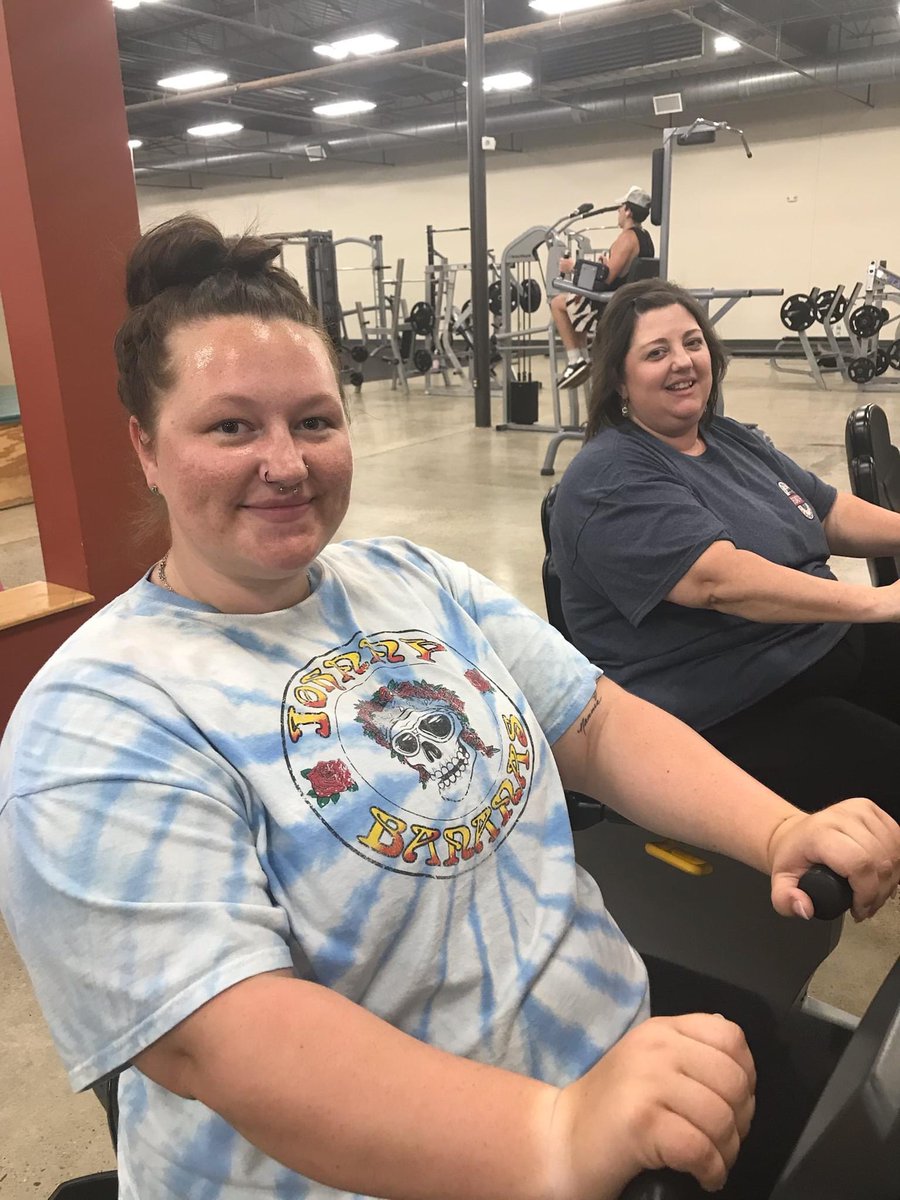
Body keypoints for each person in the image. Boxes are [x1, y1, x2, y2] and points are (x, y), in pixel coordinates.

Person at [0, 218, 898, 1200]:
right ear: (145, 446)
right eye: (230, 427)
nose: (288, 463)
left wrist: (777, 827)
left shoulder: (407, 578)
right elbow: (222, 1036)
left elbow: (590, 722)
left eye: (313, 420)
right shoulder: (97, 713)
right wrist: (553, 1133)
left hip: (615, 1060)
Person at [550, 276, 900, 820]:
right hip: (735, 702)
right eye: (656, 352)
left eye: (692, 343)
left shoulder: (727, 435)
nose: (683, 362)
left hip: (819, 647)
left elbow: (826, 510)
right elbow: (720, 582)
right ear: (619, 379)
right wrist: (880, 602)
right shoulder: (609, 476)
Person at [552, 186, 655, 391]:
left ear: (627, 210)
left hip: (611, 305)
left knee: (557, 303)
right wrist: (604, 264)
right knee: (576, 299)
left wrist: (572, 267)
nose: (617, 213)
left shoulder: (627, 237)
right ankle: (582, 359)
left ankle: (575, 360)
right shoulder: (644, 237)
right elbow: (615, 270)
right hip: (625, 299)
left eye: (620, 208)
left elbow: (605, 278)